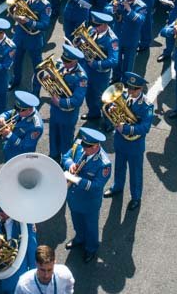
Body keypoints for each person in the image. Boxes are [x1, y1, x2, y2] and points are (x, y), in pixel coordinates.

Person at [104, 72, 152, 210]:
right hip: (120, 142)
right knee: (119, 167)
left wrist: (126, 129)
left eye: (134, 89)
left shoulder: (146, 106)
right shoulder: (124, 96)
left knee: (135, 172)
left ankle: (136, 197)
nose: (130, 91)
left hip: (135, 145)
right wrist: (113, 110)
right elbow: (113, 112)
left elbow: (145, 127)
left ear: (141, 88)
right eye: (129, 88)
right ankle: (117, 187)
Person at [61, 127, 110, 263]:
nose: (84, 149)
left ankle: (91, 248)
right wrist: (70, 164)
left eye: (87, 147)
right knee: (76, 220)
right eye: (83, 145)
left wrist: (76, 180)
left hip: (89, 202)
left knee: (91, 226)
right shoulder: (79, 146)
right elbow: (66, 156)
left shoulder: (104, 164)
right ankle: (79, 238)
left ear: (96, 146)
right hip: (74, 197)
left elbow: (96, 186)